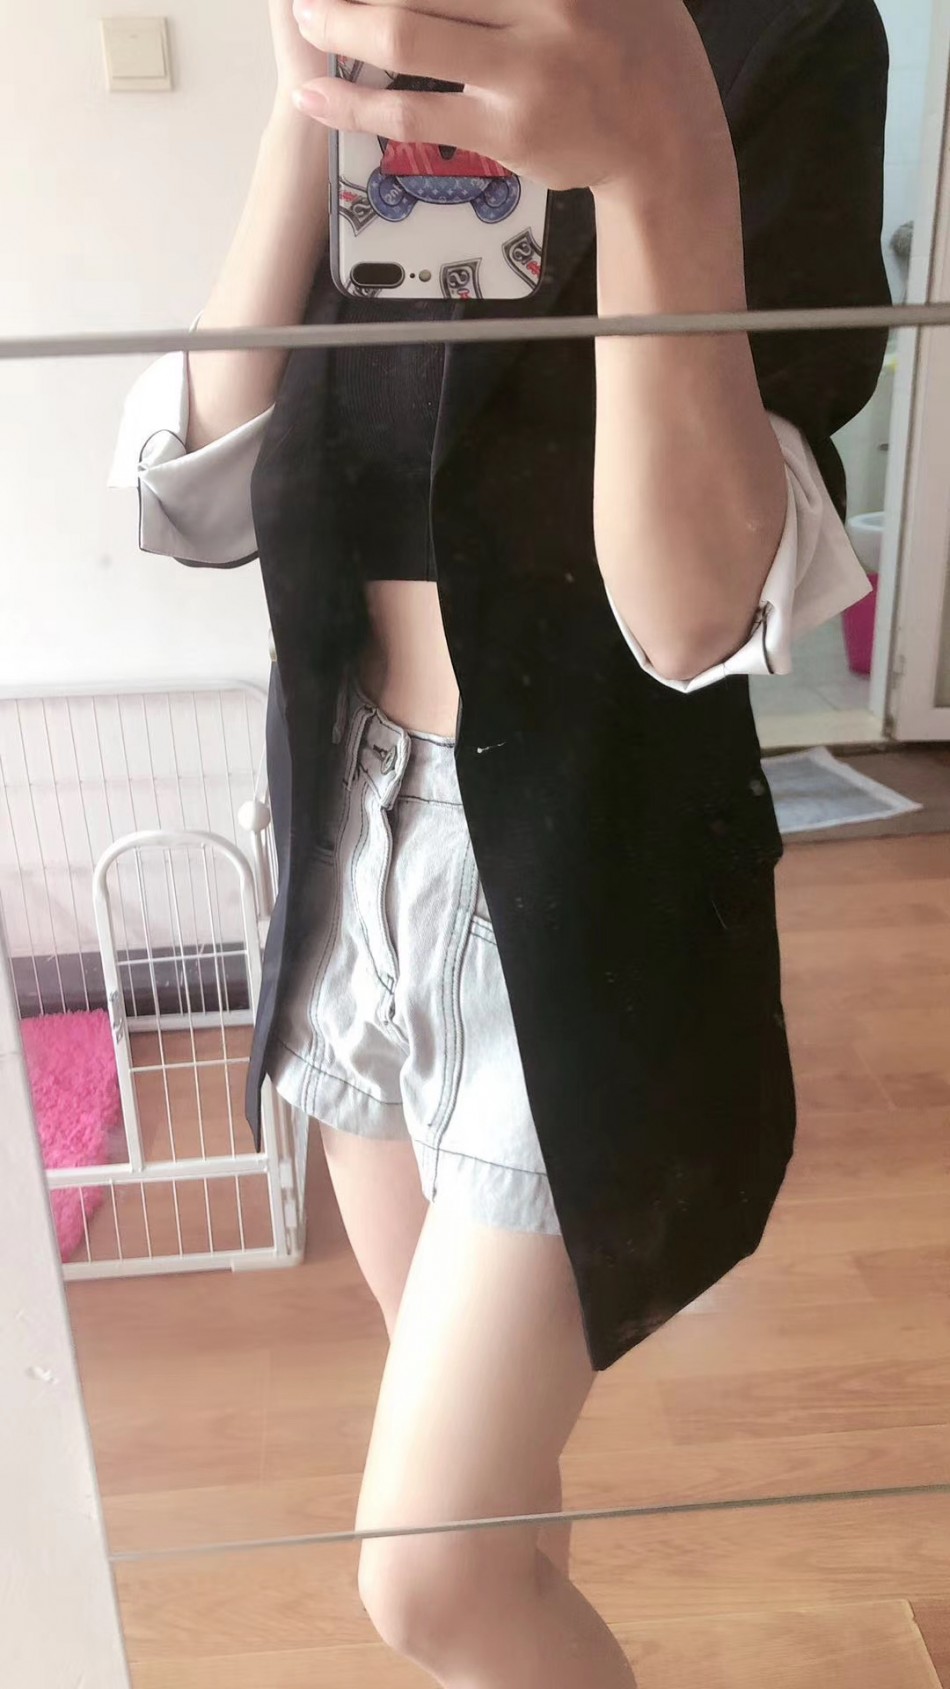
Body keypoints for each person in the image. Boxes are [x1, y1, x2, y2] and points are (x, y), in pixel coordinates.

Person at [111, 0, 889, 1680]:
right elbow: (198, 493)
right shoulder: (402, 25)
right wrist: (310, 99)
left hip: (578, 870)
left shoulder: (783, 33)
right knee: (496, 1518)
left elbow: (690, 614)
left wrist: (655, 156)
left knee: (430, 1571)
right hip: (347, 829)